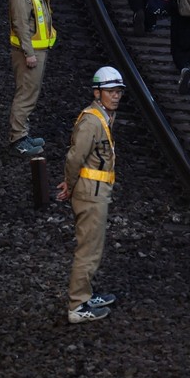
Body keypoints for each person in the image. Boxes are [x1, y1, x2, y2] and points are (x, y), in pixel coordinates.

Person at [57, 66, 125, 323]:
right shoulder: (91, 121)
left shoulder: (102, 116)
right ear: (97, 93)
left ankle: (85, 294)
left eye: (118, 91)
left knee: (93, 246)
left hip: (96, 191)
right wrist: (69, 184)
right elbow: (75, 157)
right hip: (90, 193)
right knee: (89, 249)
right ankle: (78, 305)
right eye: (110, 91)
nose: (115, 96)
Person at [8, 0, 56, 156]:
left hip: (38, 51)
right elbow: (20, 25)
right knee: (25, 94)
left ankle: (23, 133)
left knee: (30, 94)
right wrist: (29, 53)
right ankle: (17, 138)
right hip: (29, 53)